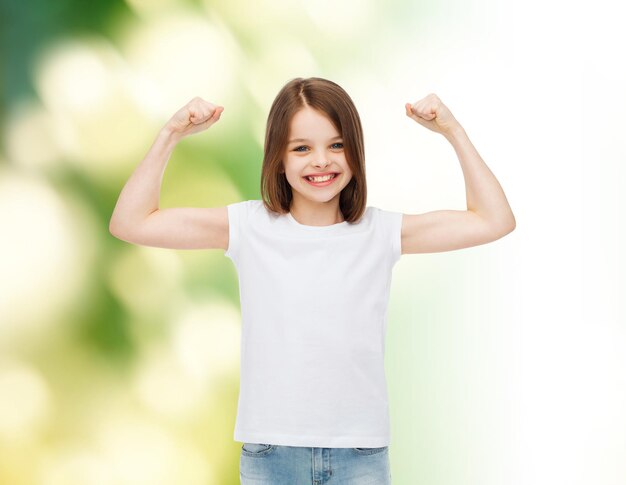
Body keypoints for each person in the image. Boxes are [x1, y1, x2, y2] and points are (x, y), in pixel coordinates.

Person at [109, 77, 516, 484]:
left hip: (361, 454)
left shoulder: (381, 233)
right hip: (272, 453)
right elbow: (131, 222)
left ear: (355, 153)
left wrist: (453, 131)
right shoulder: (249, 227)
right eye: (301, 148)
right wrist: (171, 134)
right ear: (278, 159)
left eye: (336, 145)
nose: (321, 161)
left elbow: (494, 220)